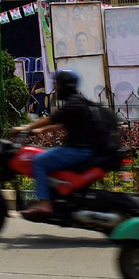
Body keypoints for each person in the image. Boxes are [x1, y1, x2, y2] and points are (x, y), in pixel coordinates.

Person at [13, 69, 102, 219]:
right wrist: (40, 131)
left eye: (58, 85)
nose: (56, 88)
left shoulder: (72, 104)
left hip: (78, 151)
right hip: (82, 149)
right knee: (45, 154)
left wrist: (25, 128)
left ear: (65, 86)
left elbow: (50, 119)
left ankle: (45, 203)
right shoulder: (77, 102)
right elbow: (62, 124)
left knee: (39, 161)